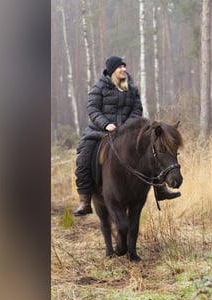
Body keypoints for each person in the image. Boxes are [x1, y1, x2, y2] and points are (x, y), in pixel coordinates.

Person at [74, 56, 181, 216]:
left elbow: (137, 109)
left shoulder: (131, 88)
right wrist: (106, 124)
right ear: (112, 71)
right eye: (120, 67)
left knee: (153, 151)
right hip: (100, 131)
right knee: (83, 159)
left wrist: (126, 127)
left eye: (124, 66)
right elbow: (93, 109)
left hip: (126, 132)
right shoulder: (99, 87)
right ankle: (85, 200)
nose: (124, 69)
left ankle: (161, 189)